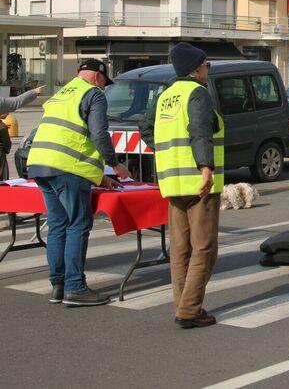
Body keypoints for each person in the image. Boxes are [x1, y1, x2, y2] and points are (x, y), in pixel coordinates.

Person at [27, 59, 129, 307]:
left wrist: (100, 177)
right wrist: (115, 165)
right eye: (105, 82)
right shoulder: (93, 94)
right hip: (67, 169)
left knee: (58, 224)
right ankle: (75, 287)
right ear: (97, 77)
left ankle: (58, 285)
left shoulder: (62, 93)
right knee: (78, 224)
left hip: (40, 164)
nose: (105, 87)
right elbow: (98, 133)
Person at [140, 43, 224, 328]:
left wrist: (165, 155)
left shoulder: (165, 95)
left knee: (180, 249)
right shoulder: (196, 93)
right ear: (196, 68)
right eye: (206, 65)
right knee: (204, 248)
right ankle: (189, 309)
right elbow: (200, 131)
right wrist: (205, 168)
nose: (208, 70)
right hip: (197, 184)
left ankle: (182, 304)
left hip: (172, 182)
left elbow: (145, 129)